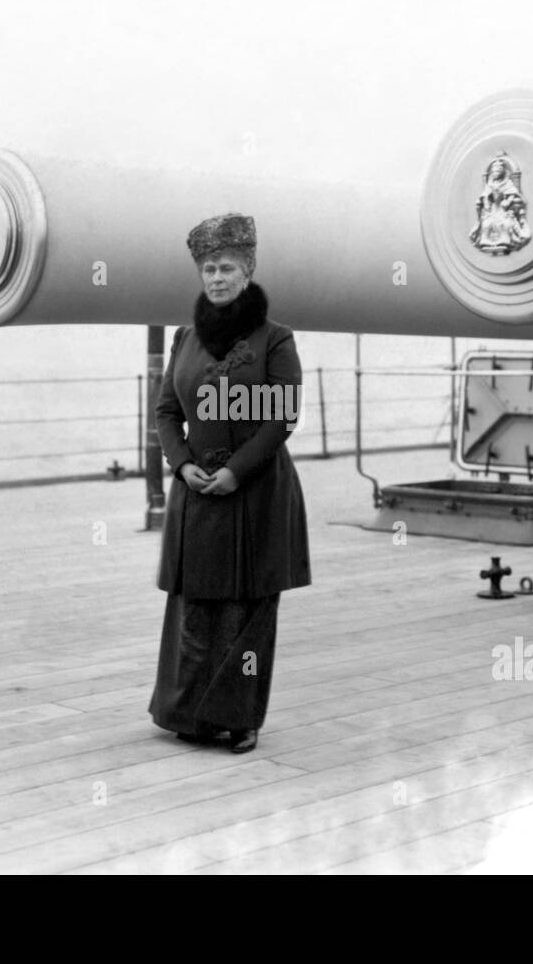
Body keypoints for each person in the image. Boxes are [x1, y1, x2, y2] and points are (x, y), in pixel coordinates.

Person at [148, 213, 311, 754]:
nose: (217, 278)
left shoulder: (275, 340)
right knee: (196, 604)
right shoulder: (185, 339)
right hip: (196, 491)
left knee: (246, 608)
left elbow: (281, 418)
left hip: (257, 490)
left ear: (248, 272)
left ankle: (240, 718)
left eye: (227, 268)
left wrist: (234, 471)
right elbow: (168, 412)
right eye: (209, 269)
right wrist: (180, 464)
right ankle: (191, 714)